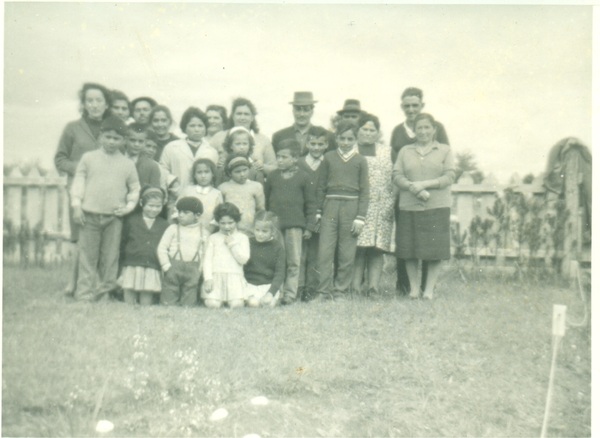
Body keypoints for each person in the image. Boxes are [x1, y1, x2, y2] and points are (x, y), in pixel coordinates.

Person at [70, 115, 141, 301]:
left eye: (116, 138)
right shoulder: (89, 158)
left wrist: (129, 207)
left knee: (110, 257)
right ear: (101, 136)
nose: (111, 141)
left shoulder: (127, 164)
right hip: (89, 215)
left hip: (114, 217)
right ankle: (84, 294)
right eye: (108, 137)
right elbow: (78, 182)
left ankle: (105, 293)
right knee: (87, 256)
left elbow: (134, 188)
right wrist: (77, 206)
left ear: (123, 140)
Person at [390, 87, 450, 295]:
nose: (411, 109)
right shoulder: (399, 133)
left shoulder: (438, 130)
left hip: (433, 198)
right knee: (408, 244)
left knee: (431, 246)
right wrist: (411, 187)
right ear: (402, 107)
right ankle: (406, 287)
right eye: (407, 106)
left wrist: (425, 186)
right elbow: (395, 167)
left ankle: (428, 288)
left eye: (415, 105)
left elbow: (445, 166)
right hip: (407, 196)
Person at [55, 82, 113, 295]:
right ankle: (74, 283)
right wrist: (81, 169)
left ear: (106, 104)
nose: (94, 105)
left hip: (106, 190)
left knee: (101, 238)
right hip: (79, 191)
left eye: (99, 100)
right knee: (80, 236)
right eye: (90, 100)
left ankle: (97, 284)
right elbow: (60, 159)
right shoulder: (72, 128)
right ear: (84, 103)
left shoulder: (112, 127)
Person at [314, 121, 369, 301]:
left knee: (347, 252)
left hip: (351, 207)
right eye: (342, 138)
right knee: (325, 251)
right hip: (330, 205)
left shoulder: (360, 160)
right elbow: (321, 186)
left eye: (350, 139)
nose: (345, 142)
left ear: (355, 139)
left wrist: (360, 217)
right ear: (336, 138)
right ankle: (323, 291)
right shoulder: (329, 157)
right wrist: (318, 211)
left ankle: (340, 291)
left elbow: (365, 190)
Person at [264, 139, 316, 305]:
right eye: (278, 156)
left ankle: (290, 295)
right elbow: (266, 201)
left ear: (295, 158)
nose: (279, 160)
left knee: (294, 261)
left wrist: (309, 226)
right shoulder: (272, 177)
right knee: (277, 261)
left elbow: (311, 204)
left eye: (284, 157)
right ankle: (276, 293)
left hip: (295, 227)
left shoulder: (304, 177)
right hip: (275, 227)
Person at [352, 114, 395, 297]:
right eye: (365, 129)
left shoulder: (387, 151)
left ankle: (373, 288)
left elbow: (395, 176)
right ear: (358, 130)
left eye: (372, 130)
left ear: (378, 133)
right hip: (358, 205)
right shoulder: (351, 149)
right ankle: (354, 287)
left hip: (382, 205)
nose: (368, 133)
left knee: (377, 249)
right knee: (359, 248)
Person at [119, 187, 169, 305]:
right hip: (132, 263)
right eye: (150, 205)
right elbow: (123, 242)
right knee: (129, 290)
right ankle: (128, 309)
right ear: (141, 203)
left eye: (158, 206)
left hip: (152, 265)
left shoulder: (164, 225)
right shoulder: (131, 221)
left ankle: (144, 314)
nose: (154, 209)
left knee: (147, 296)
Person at [297, 126, 329, 301]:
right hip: (302, 214)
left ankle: (311, 289)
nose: (316, 147)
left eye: (320, 144)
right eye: (313, 143)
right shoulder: (299, 163)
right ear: (307, 143)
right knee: (301, 254)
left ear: (326, 145)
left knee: (316, 255)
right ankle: (298, 288)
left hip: (322, 214)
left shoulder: (328, 163)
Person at [157, 197, 205, 306]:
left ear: (197, 215)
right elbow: (162, 247)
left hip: (193, 270)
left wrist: (200, 268)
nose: (181, 215)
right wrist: (165, 265)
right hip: (173, 268)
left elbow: (205, 253)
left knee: (189, 301)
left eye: (186, 212)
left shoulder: (204, 232)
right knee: (168, 300)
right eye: (179, 212)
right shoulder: (173, 229)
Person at [202, 202, 250, 309]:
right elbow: (207, 260)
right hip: (216, 277)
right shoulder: (213, 238)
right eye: (222, 223)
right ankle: (215, 299)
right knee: (212, 304)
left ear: (237, 221)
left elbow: (243, 260)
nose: (226, 226)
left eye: (230, 223)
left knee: (237, 305)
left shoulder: (242, 238)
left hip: (234, 278)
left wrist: (232, 245)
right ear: (217, 222)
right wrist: (208, 278)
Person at [210, 97, 277, 174]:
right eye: (239, 114)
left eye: (246, 114)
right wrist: (217, 164)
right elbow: (206, 164)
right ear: (233, 116)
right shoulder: (218, 137)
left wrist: (262, 166)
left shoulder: (263, 140)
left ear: (252, 118)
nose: (242, 117)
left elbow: (274, 169)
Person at [160, 106, 218, 193]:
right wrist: (173, 183)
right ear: (184, 127)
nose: (197, 129)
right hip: (177, 195)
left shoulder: (211, 152)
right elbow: (162, 170)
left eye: (200, 126)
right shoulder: (172, 147)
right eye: (192, 125)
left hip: (203, 197)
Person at [271, 91, 336, 155]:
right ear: (293, 111)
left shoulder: (327, 136)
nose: (302, 114)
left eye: (306, 110)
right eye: (298, 109)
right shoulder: (279, 136)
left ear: (312, 112)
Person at [244, 211, 285, 308]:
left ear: (273, 232)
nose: (260, 234)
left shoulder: (278, 247)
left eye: (264, 231)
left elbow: (280, 273)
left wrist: (270, 293)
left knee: (269, 304)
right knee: (253, 304)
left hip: (268, 285)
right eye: (257, 230)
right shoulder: (248, 243)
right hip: (250, 285)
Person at [217, 155, 265, 235]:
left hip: (251, 230)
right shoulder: (223, 188)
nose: (242, 174)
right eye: (237, 172)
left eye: (245, 170)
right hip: (230, 231)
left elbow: (261, 209)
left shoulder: (256, 186)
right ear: (230, 173)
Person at [178, 158, 223, 234]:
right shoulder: (188, 190)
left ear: (213, 174)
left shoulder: (217, 194)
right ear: (194, 175)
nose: (203, 176)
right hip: (185, 232)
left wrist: (208, 233)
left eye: (206, 172)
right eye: (199, 172)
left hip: (207, 233)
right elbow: (177, 210)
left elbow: (217, 218)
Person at [125, 123, 161, 188]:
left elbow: (155, 192)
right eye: (132, 140)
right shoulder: (116, 159)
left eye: (140, 141)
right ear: (125, 139)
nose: (136, 144)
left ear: (145, 142)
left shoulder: (152, 166)